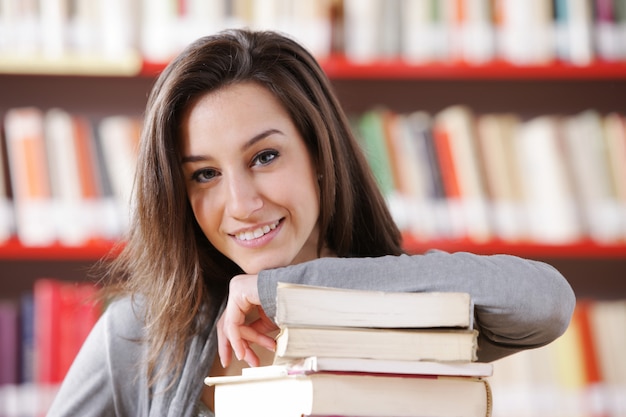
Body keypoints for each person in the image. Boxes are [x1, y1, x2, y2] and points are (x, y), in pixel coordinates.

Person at [47, 29, 576, 417]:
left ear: (320, 156)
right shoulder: (143, 333)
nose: (241, 203)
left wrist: (280, 291)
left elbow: (544, 302)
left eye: (264, 157)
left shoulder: (403, 307)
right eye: (204, 174)